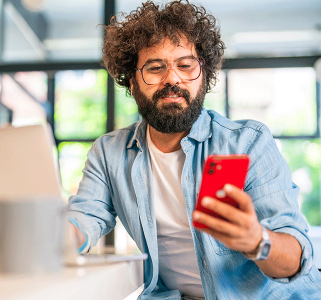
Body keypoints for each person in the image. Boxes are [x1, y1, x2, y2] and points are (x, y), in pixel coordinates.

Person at [66, 1, 321, 299]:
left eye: (186, 66)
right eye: (155, 67)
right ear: (132, 83)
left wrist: (257, 240)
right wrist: (61, 236)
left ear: (204, 76)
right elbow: (85, 217)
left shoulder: (247, 143)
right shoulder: (109, 153)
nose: (172, 79)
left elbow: (295, 260)